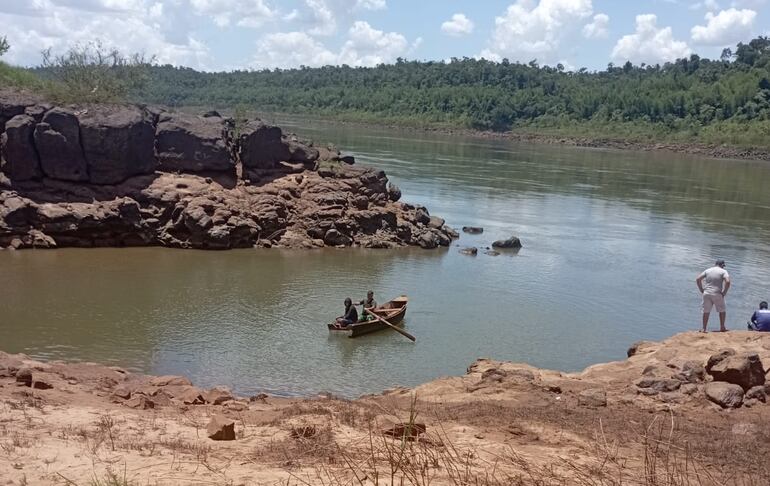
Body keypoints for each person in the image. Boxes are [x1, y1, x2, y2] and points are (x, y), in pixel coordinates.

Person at [695, 259, 731, 332]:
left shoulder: (708, 270)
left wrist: (702, 290)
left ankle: (704, 328)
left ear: (715, 264)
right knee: (722, 310)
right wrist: (724, 292)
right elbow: (728, 281)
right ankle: (722, 327)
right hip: (717, 293)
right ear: (722, 265)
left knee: (706, 311)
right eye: (723, 266)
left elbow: (698, 279)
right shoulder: (723, 271)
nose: (723, 267)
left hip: (707, 293)